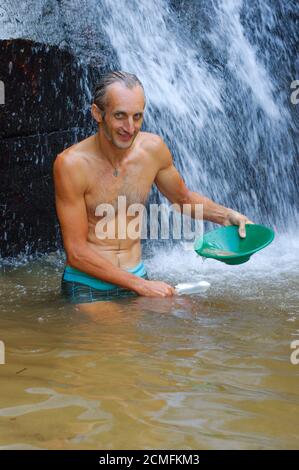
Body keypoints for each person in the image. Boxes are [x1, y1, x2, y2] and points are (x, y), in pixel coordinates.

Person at [53, 71, 253, 304]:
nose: (130, 127)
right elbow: (76, 252)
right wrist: (142, 286)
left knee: (194, 324)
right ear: (98, 113)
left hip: (138, 276)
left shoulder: (153, 150)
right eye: (120, 116)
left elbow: (183, 200)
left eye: (137, 117)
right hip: (88, 286)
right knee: (117, 337)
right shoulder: (71, 164)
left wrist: (226, 216)